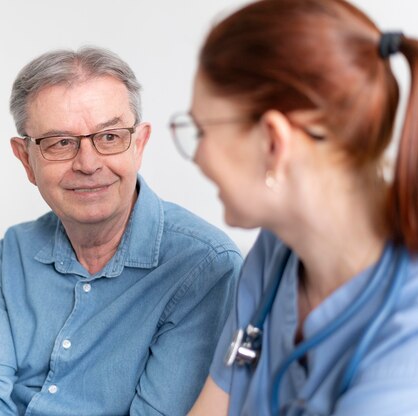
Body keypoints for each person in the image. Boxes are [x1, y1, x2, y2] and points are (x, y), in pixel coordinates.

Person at [0, 46, 242, 416]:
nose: (88, 163)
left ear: (138, 145)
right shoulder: (15, 248)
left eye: (109, 137)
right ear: (25, 160)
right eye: (61, 142)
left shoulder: (204, 267)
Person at [168, 0, 418, 415]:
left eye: (202, 131)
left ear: (272, 143)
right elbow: (214, 405)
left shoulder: (405, 340)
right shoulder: (276, 251)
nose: (198, 157)